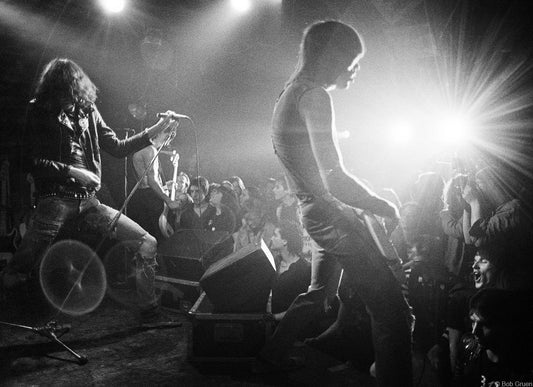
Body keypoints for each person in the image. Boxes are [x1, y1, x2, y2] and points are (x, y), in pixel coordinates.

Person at [258, 21, 413, 386]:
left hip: (314, 214)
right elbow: (334, 178)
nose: (356, 70)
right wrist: (383, 205)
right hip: (331, 218)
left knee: (318, 295)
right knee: (391, 311)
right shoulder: (314, 96)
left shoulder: (290, 92)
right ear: (331, 56)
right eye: (352, 60)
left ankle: (270, 356)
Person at [0, 58, 180, 328]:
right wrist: (73, 172)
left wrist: (156, 129)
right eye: (67, 90)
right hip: (55, 200)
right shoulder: (39, 110)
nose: (74, 95)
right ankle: (17, 320)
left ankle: (149, 310)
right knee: (20, 268)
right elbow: (28, 159)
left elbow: (117, 147)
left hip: (89, 202)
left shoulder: (89, 111)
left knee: (147, 242)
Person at [128, 131, 182, 241]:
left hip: (144, 197)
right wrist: (169, 201)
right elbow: (152, 182)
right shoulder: (150, 150)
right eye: (167, 133)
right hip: (151, 200)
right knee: (159, 239)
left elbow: (147, 181)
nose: (169, 136)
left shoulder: (145, 149)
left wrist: (165, 186)